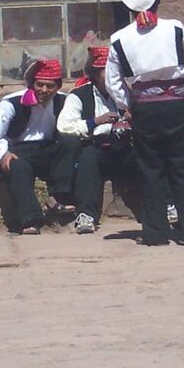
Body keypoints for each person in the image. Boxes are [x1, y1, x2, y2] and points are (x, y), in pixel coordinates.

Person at [105, 0, 184, 246]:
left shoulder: (118, 39)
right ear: (157, 2)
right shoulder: (174, 28)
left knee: (151, 170)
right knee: (183, 167)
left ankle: (155, 233)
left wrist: (128, 106)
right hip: (175, 104)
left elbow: (113, 83)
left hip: (145, 110)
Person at [0, 59, 81, 235]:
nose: (44, 90)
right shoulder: (13, 103)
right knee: (18, 168)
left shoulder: (64, 102)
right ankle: (30, 219)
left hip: (48, 150)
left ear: (58, 87)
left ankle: (58, 197)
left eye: (50, 86)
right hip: (19, 151)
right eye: (40, 85)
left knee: (70, 143)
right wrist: (2, 154)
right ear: (33, 84)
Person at [57, 46, 139, 234]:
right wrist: (95, 122)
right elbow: (64, 127)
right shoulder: (79, 95)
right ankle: (86, 214)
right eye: (106, 71)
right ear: (94, 73)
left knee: (147, 156)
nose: (111, 76)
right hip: (96, 147)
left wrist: (134, 117)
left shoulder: (128, 94)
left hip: (124, 147)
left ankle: (164, 206)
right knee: (88, 159)